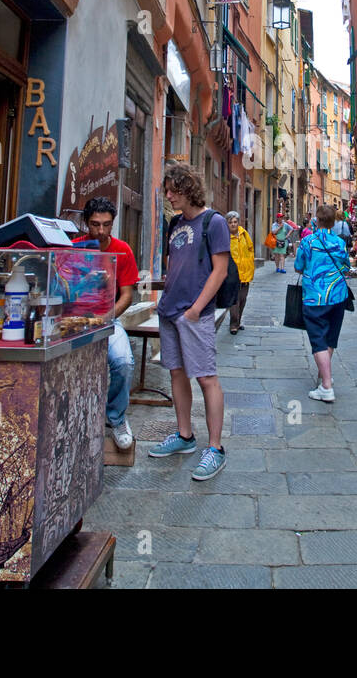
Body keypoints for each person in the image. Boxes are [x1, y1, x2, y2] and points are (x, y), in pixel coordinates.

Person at [148, 162, 231, 480]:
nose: (168, 196)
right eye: (167, 190)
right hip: (170, 312)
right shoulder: (175, 224)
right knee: (177, 374)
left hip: (193, 314)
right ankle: (184, 437)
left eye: (172, 190)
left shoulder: (215, 222)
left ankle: (215, 449)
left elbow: (219, 271)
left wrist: (195, 309)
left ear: (188, 189)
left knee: (206, 377)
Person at [81, 196, 140, 449]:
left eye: (106, 224)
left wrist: (108, 317)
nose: (101, 231)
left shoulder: (123, 250)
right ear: (86, 224)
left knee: (124, 362)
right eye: (95, 224)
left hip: (108, 319)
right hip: (76, 320)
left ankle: (116, 418)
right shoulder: (74, 246)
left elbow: (127, 295)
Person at [293, 204, 351, 403]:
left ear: (316, 220)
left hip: (314, 297)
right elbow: (346, 266)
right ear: (334, 222)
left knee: (318, 338)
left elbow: (298, 266)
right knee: (330, 337)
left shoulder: (308, 241)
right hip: (338, 295)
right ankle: (323, 375)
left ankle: (326, 386)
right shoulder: (339, 242)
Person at [226, 211, 254, 334]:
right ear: (227, 224)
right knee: (234, 300)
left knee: (243, 299)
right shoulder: (225, 236)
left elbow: (250, 248)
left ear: (238, 222)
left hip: (246, 272)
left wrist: (250, 262)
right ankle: (233, 324)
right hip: (233, 273)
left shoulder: (244, 234)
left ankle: (238, 322)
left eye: (235, 222)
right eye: (230, 222)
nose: (233, 224)